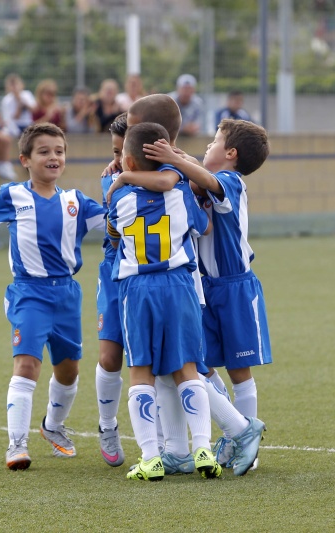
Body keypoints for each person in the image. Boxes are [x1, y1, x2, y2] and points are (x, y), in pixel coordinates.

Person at [107, 94, 265, 476]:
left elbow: (195, 192)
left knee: (193, 367)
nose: (205, 146)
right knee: (177, 367)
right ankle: (179, 449)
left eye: (213, 140)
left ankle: (241, 431)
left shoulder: (188, 178)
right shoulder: (180, 176)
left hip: (214, 284)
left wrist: (134, 173)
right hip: (196, 285)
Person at [0, 123, 106, 471]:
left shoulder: (76, 201)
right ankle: (16, 446)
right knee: (28, 364)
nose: (53, 157)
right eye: (44, 151)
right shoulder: (12, 195)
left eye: (59, 151)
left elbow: (114, 221)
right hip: (28, 292)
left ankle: (53, 425)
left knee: (68, 371)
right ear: (25, 160)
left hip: (66, 293)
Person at [143, 118, 271, 475]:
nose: (207, 147)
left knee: (239, 369)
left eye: (214, 142)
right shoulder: (202, 181)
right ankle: (234, 432)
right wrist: (174, 158)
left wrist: (177, 157)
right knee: (203, 364)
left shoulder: (230, 181)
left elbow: (207, 179)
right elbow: (194, 177)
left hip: (235, 287)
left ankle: (248, 436)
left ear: (230, 154)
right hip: (205, 288)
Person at [106, 122, 220, 481]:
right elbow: (203, 227)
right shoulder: (182, 190)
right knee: (188, 367)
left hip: (137, 288)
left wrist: (124, 180)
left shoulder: (118, 198)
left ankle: (151, 457)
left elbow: (113, 239)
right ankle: (202, 447)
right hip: (179, 284)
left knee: (141, 371)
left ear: (128, 160)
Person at [95, 113, 128, 467]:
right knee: (109, 356)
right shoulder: (111, 179)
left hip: (154, 275)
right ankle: (107, 426)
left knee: (158, 362)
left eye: (122, 151)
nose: (116, 159)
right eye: (113, 151)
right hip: (115, 271)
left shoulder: (171, 175)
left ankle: (169, 440)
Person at [1, 73, 36, 138]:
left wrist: (21, 101)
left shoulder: (27, 95)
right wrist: (19, 105)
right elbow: (11, 118)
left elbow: (34, 110)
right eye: (12, 85)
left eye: (16, 84)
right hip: (14, 126)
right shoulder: (7, 100)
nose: (15, 87)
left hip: (28, 124)